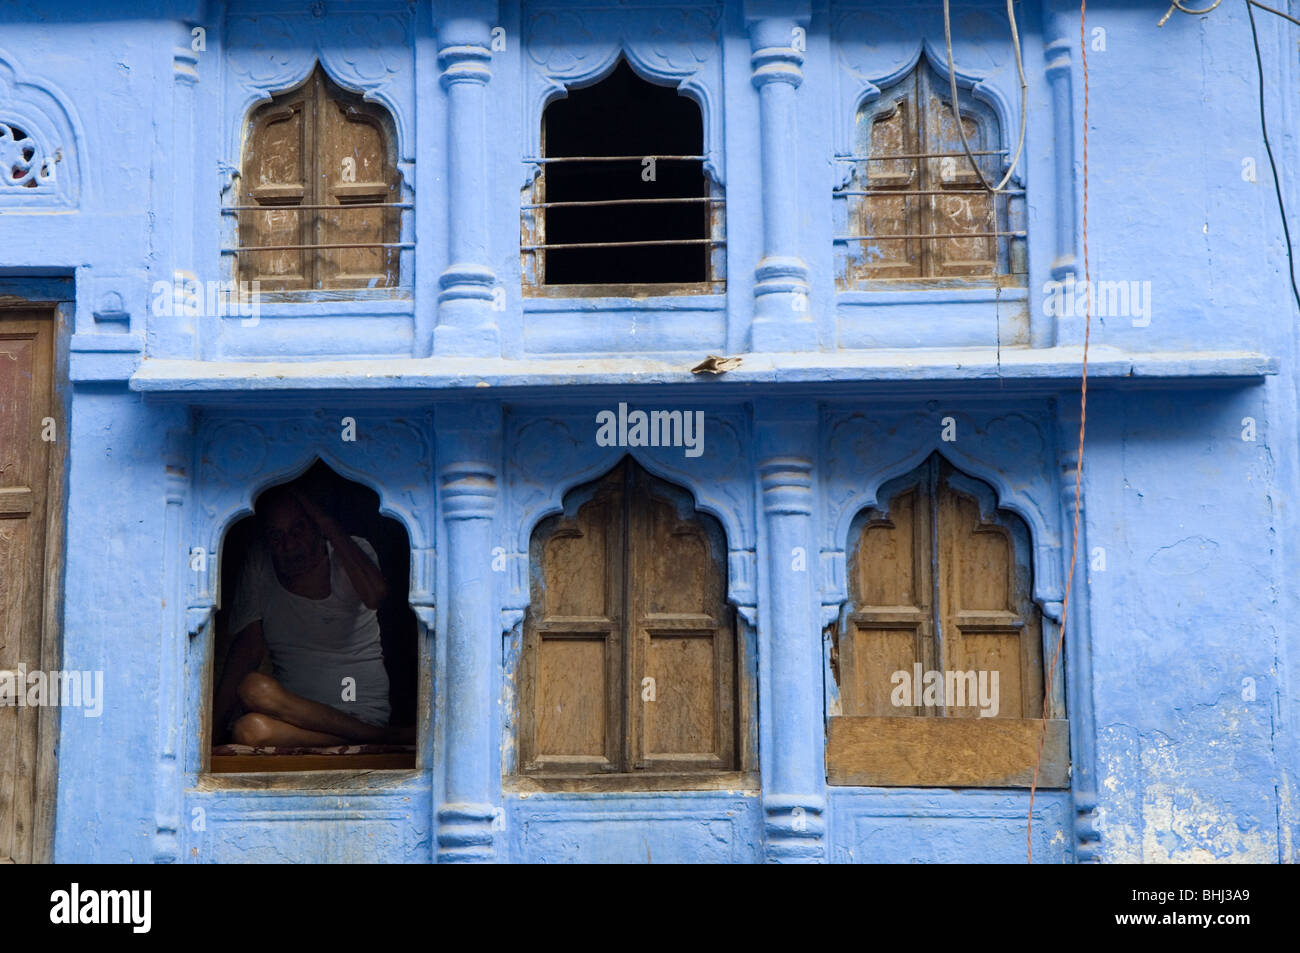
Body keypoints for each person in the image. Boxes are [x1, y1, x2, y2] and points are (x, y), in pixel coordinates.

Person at [213, 483, 409, 746]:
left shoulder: (351, 552)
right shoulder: (260, 563)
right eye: (276, 535)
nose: (289, 544)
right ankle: (380, 739)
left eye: (298, 530)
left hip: (361, 710)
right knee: (250, 723)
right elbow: (247, 650)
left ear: (317, 528)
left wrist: (326, 522)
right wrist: (210, 734)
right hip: (298, 717)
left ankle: (372, 733)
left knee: (254, 690)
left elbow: (376, 595)